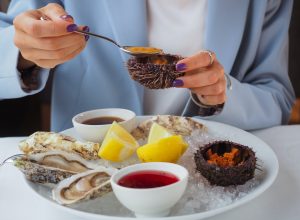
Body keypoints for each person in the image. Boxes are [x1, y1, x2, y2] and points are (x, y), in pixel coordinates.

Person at [0, 0, 295, 132]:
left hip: (206, 171)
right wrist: (25, 52)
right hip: (88, 162)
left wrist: (222, 93)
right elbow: (12, 39)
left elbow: (277, 99)